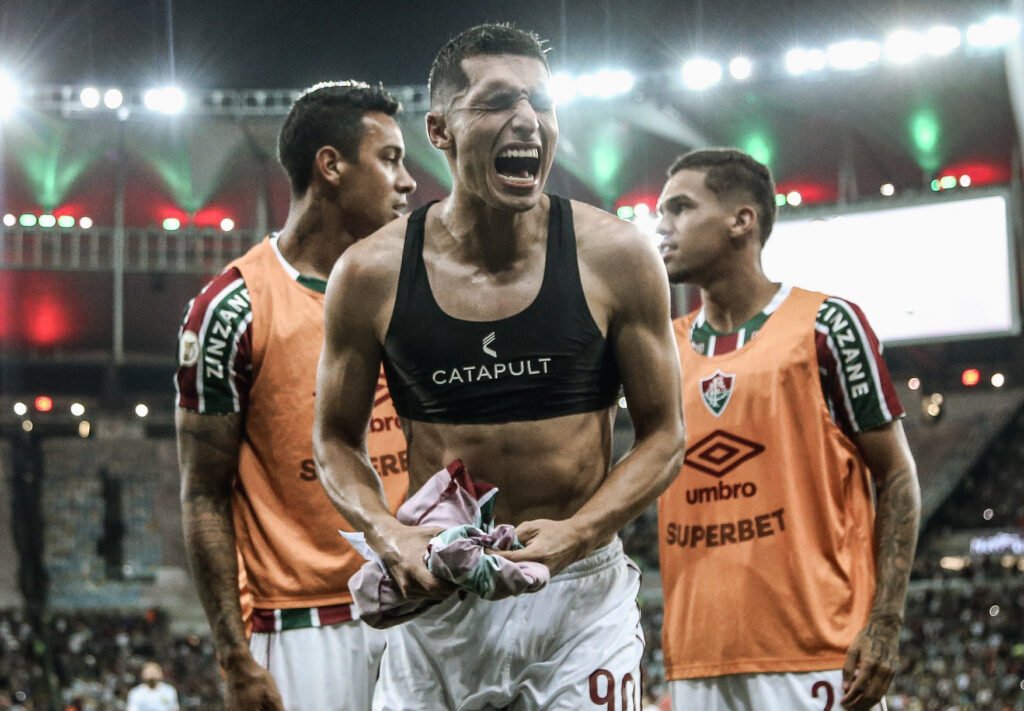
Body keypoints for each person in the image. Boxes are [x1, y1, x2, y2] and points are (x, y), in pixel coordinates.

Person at [313, 23, 686, 711]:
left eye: (541, 102)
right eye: (496, 102)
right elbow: (335, 439)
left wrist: (578, 533)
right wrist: (387, 533)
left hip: (579, 595)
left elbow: (665, 435)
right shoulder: (370, 273)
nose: (527, 120)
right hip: (445, 596)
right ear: (440, 130)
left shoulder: (618, 256)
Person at [176, 81, 416, 711]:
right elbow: (203, 494)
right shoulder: (232, 309)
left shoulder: (415, 292)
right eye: (389, 159)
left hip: (419, 602)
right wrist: (233, 658)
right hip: (302, 624)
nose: (408, 181)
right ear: (331, 166)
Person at [655, 148, 921, 711]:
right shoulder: (661, 349)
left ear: (741, 220)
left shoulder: (827, 325)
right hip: (696, 658)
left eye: (680, 208)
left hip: (820, 653)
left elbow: (897, 476)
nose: (662, 225)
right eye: (661, 212)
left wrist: (886, 623)